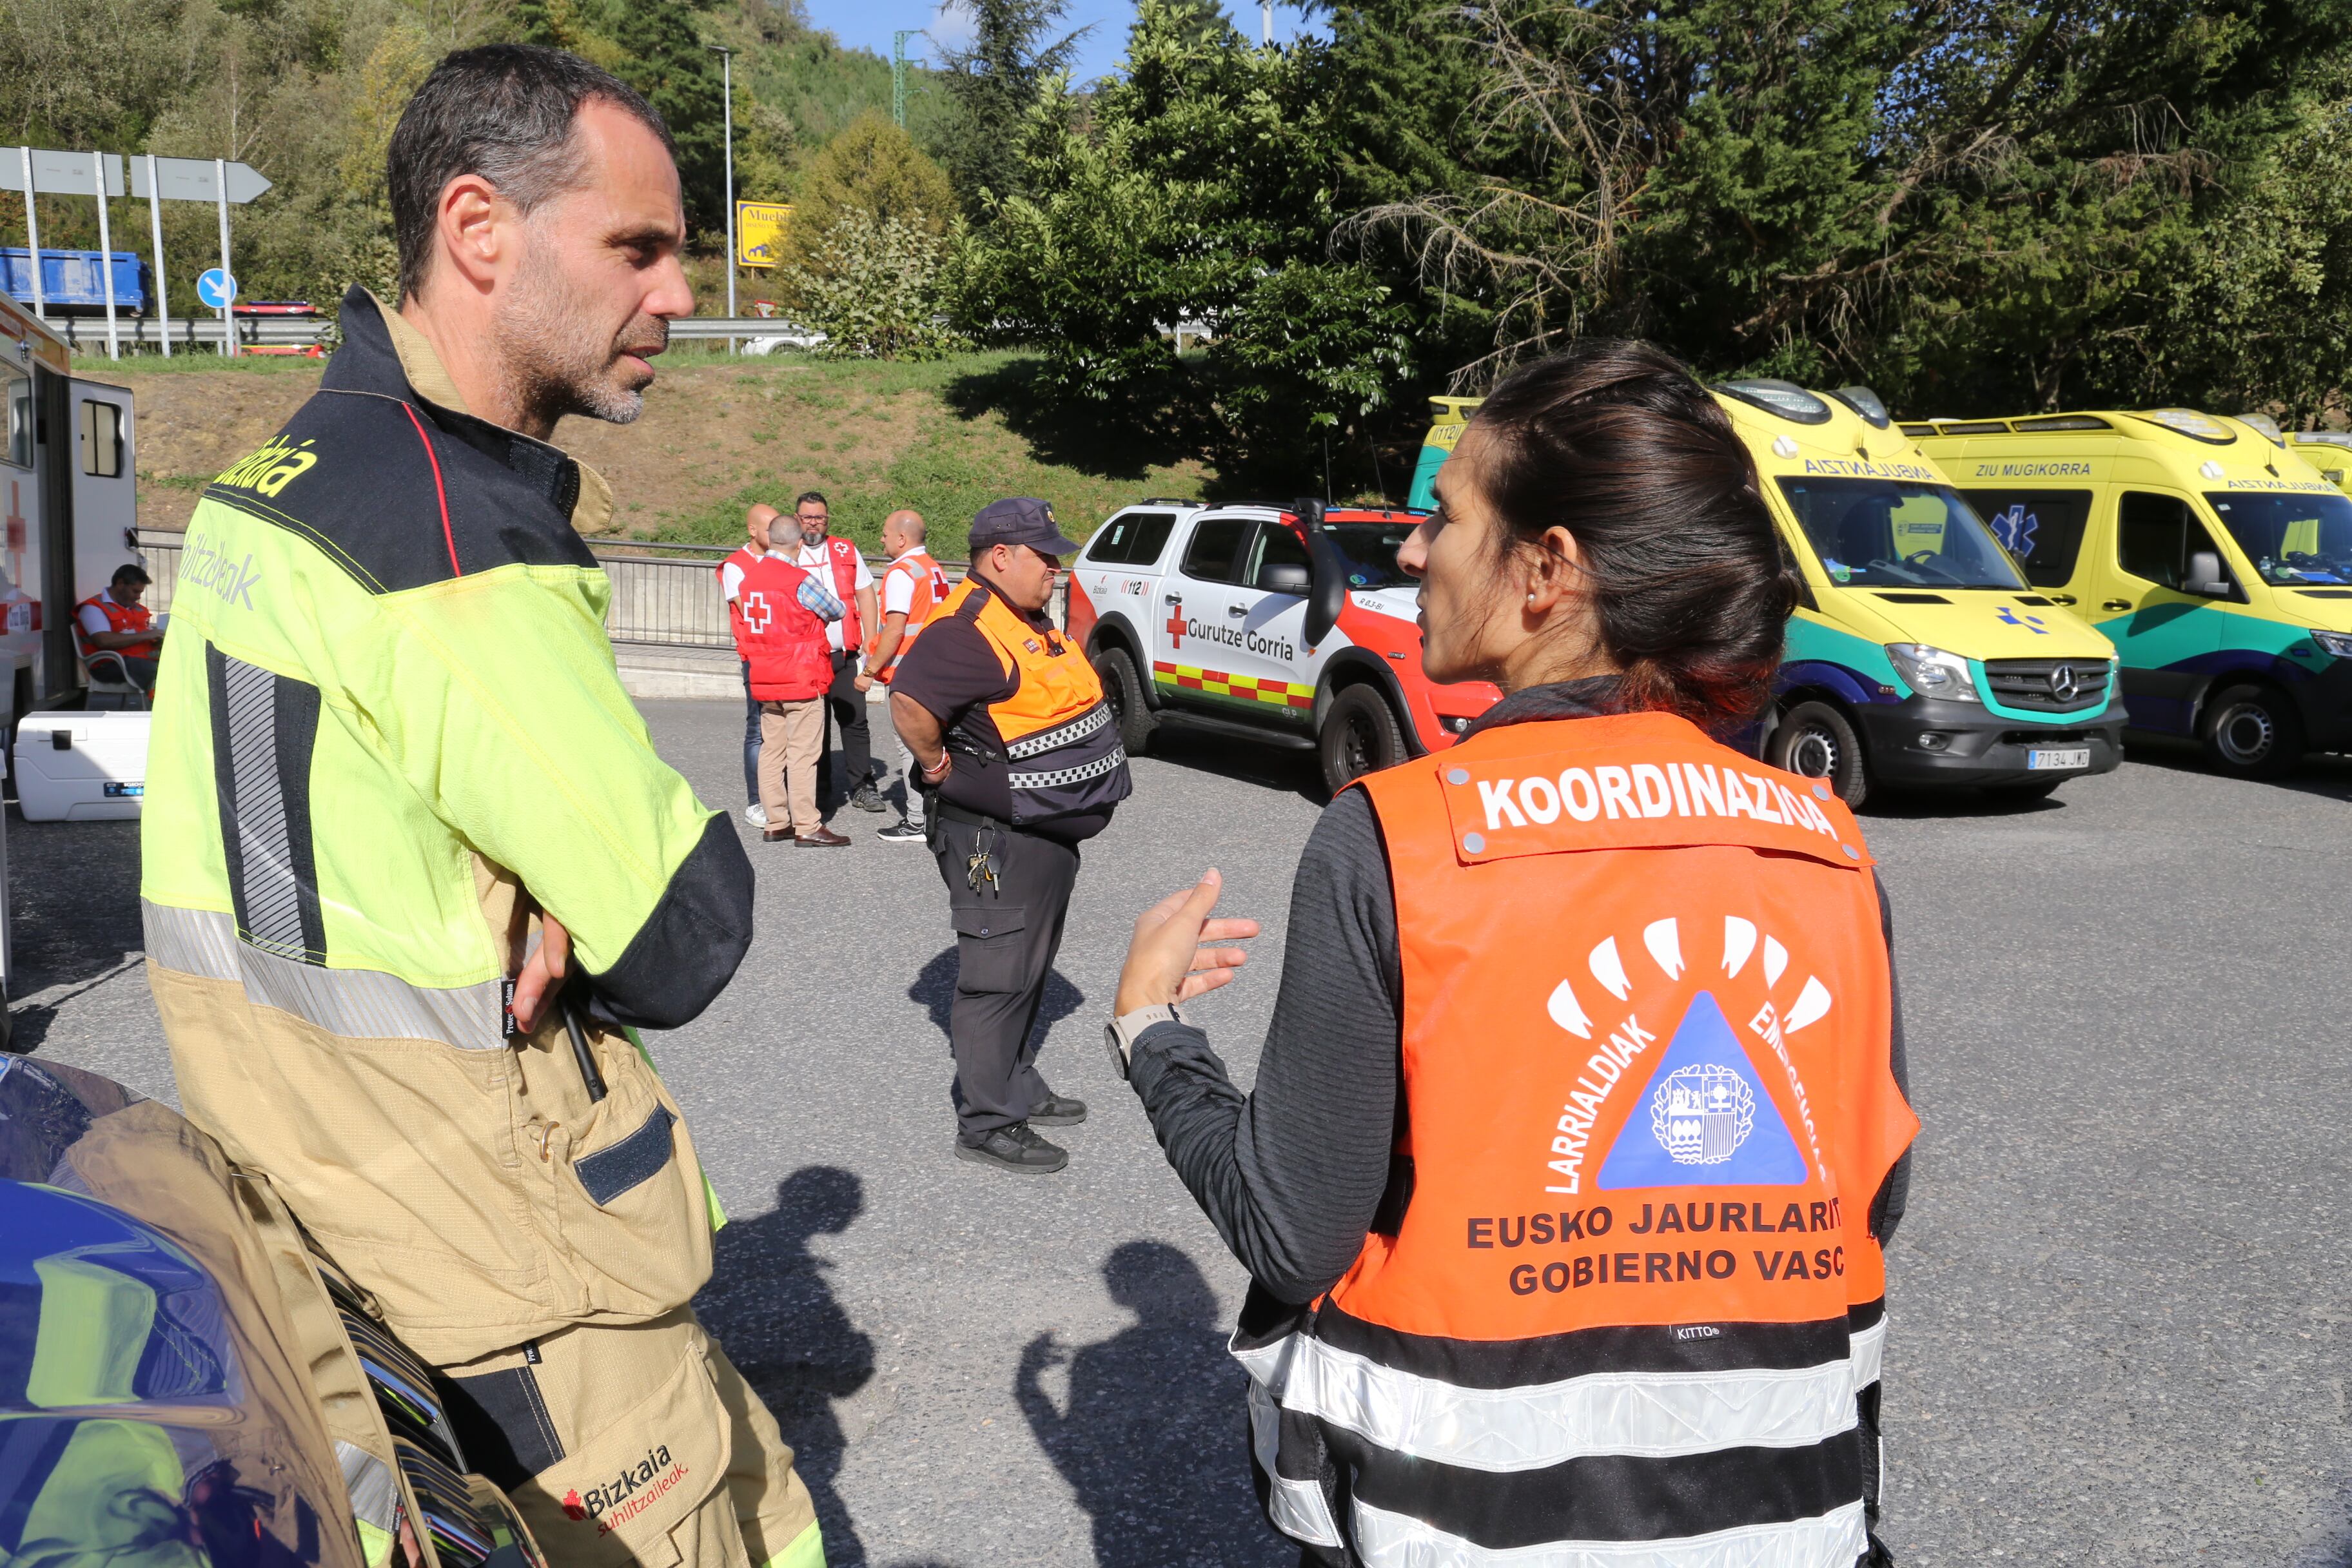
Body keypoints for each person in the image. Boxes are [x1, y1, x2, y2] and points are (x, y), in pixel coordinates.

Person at [137, 45, 826, 1568]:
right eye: (637, 248)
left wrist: (524, 859)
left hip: (319, 1222)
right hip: (525, 1276)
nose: (679, 298)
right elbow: (690, 935)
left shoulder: (275, 481)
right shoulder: (457, 538)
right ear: (480, 230)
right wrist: (580, 880)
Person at [1108, 342, 1918, 1566]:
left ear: (1547, 569)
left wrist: (1153, 1033)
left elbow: (1292, 1231)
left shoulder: (1397, 834)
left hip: (1455, 1519)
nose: (1412, 551)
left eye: (1443, 516)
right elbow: (1867, 1193)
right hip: (1785, 1515)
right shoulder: (1826, 844)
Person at [888, 497, 1133, 1175]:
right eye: (1044, 556)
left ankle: (1015, 1082)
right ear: (1001, 556)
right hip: (990, 839)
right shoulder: (963, 629)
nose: (1056, 567)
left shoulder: (1020, 616)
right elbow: (909, 702)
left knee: (1028, 968)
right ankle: (988, 1121)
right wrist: (938, 766)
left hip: (1041, 832)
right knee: (996, 977)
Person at [741, 541, 852, 847]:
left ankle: (776, 821)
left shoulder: (749, 578)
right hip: (800, 675)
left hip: (765, 676)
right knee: (803, 753)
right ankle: (807, 824)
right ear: (799, 544)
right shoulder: (799, 579)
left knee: (772, 751)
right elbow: (837, 609)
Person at [785, 491, 885, 814]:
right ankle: (819, 790)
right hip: (806, 658)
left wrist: (872, 643)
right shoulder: (787, 552)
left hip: (844, 656)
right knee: (815, 727)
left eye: (820, 517)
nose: (814, 523)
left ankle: (863, 786)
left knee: (855, 721)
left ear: (828, 520)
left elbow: (866, 595)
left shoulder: (845, 549)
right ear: (796, 519)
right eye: (807, 517)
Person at [858, 507, 952, 845]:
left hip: (906, 674)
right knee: (935, 744)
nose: (881, 538)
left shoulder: (902, 573)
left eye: (885, 533)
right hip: (935, 669)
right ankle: (942, 815)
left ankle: (917, 821)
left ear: (902, 538)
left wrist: (868, 672)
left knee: (911, 747)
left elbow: (895, 630)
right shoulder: (933, 568)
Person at [719, 502, 780, 827]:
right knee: (758, 728)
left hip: (785, 655)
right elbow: (752, 614)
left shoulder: (782, 559)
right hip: (756, 657)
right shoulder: (736, 566)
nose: (776, 533)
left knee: (783, 728)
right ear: (753, 530)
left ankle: (781, 796)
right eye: (769, 527)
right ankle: (756, 801)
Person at [75, 563, 164, 690]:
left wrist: (157, 641)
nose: (138, 597)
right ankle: (156, 705)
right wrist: (146, 635)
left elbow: (141, 635)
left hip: (138, 661)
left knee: (179, 665)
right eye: (135, 591)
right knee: (161, 671)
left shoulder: (137, 609)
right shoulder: (93, 608)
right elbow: (104, 641)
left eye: (141, 592)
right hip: (109, 665)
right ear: (121, 584)